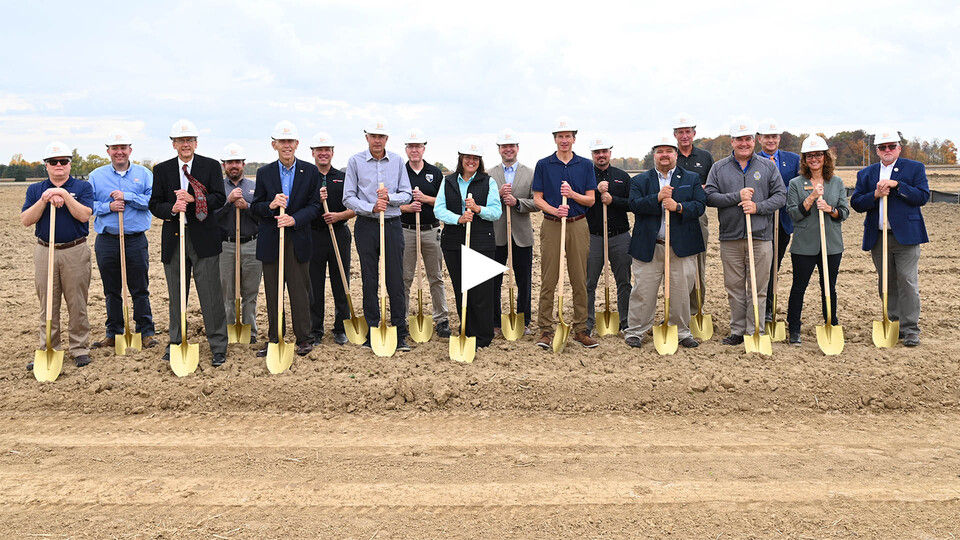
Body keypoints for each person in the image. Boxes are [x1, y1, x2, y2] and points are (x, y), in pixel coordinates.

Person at [150, 119, 229, 366]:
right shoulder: (162, 170)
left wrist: (194, 198)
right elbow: (154, 204)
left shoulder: (210, 166)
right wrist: (172, 208)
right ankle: (176, 341)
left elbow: (219, 198)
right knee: (176, 294)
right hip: (175, 240)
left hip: (204, 240)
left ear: (196, 143)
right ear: (173, 144)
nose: (186, 145)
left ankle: (218, 346)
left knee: (211, 295)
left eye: (189, 140)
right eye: (181, 141)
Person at [704, 119, 786, 345]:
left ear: (754, 141)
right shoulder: (719, 168)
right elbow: (709, 196)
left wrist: (758, 207)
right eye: (739, 139)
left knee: (758, 289)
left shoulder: (768, 167)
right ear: (732, 142)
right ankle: (738, 331)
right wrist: (736, 197)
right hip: (730, 237)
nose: (744, 143)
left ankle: (754, 330)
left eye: (748, 139)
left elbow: (780, 196)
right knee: (734, 287)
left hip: (760, 237)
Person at [625, 135, 705, 348]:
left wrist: (678, 207)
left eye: (669, 151)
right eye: (660, 151)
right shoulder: (640, 181)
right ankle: (636, 331)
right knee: (643, 291)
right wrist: (658, 198)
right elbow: (634, 205)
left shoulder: (691, 178)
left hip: (681, 247)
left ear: (676, 154)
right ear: (654, 155)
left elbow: (700, 206)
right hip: (650, 246)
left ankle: (681, 332)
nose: (664, 155)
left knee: (680, 292)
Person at [851, 128, 929, 347]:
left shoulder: (914, 169)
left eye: (891, 146)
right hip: (879, 237)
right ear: (877, 150)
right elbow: (856, 203)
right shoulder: (866, 173)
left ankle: (910, 328)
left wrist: (897, 186)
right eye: (882, 147)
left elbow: (922, 196)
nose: (887, 150)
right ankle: (894, 323)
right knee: (886, 283)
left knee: (907, 281)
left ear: (899, 148)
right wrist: (875, 195)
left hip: (906, 237)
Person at [21, 142, 94, 370]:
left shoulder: (82, 187)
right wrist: (44, 199)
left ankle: (79, 348)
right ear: (46, 166)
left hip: (75, 250)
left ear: (69, 164)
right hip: (45, 250)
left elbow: (84, 215)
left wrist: (63, 194)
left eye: (63, 161)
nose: (59, 165)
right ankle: (48, 348)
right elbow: (26, 220)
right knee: (47, 303)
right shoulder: (35, 190)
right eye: (54, 162)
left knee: (77, 302)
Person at [343, 118, 413, 351]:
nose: (377, 140)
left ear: (386, 139)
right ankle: (373, 330)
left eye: (381, 137)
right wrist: (371, 206)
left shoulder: (397, 161)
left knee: (395, 279)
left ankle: (400, 333)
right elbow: (348, 197)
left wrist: (389, 198)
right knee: (369, 279)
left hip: (392, 224)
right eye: (373, 136)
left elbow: (407, 194)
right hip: (366, 225)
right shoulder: (355, 162)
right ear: (367, 138)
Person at [252, 121, 322, 357]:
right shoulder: (264, 173)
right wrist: (271, 206)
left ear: (297, 144)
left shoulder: (310, 172)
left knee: (300, 290)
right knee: (273, 292)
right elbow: (255, 208)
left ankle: (304, 338)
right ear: (274, 145)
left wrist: (294, 219)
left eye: (290, 141)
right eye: (282, 142)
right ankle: (275, 337)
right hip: (272, 240)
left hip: (298, 238)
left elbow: (315, 207)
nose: (286, 146)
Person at [532, 117, 598, 349]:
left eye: (568, 136)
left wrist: (572, 195)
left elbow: (590, 199)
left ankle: (581, 329)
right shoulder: (543, 164)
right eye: (560, 136)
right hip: (552, 224)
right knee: (549, 278)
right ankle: (545, 330)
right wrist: (554, 210)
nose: (564, 140)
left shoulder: (585, 164)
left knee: (579, 278)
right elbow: (537, 198)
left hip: (578, 224)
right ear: (555, 139)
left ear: (574, 139)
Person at [88, 130, 157, 350]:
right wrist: (109, 207)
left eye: (123, 148)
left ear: (130, 150)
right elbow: (89, 205)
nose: (119, 152)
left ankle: (145, 332)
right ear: (108, 151)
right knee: (111, 290)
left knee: (140, 288)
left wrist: (127, 196)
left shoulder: (144, 174)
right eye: (115, 148)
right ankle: (114, 332)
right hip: (107, 239)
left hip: (135, 239)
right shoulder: (96, 176)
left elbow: (151, 202)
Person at [435, 140, 502, 348]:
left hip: (481, 241)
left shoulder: (488, 181)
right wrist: (459, 218)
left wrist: (478, 209)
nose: (471, 161)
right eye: (467, 158)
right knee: (461, 288)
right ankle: (466, 330)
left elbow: (496, 211)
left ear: (479, 161)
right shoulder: (449, 181)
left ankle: (482, 337)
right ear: (461, 160)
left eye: (475, 158)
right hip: (453, 242)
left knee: (481, 290)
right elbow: (439, 209)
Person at [785, 135, 848, 345]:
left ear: (825, 157)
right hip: (804, 245)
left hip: (831, 245)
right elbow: (793, 213)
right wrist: (811, 198)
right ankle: (794, 329)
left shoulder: (836, 182)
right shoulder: (795, 183)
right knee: (798, 287)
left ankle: (831, 322)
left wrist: (830, 210)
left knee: (829, 287)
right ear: (804, 159)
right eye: (809, 155)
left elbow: (844, 212)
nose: (814, 159)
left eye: (818, 154)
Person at [399, 129, 450, 338]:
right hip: (406, 230)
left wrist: (425, 198)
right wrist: (408, 207)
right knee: (404, 277)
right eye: (411, 146)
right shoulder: (400, 172)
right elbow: (393, 202)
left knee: (436, 277)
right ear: (406, 149)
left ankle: (442, 319)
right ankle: (400, 318)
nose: (414, 150)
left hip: (431, 230)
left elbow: (443, 201)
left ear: (423, 148)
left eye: (418, 146)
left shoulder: (435, 173)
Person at [488, 128, 537, 334]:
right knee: (494, 281)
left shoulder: (530, 173)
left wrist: (517, 202)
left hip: (521, 235)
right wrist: (497, 196)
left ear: (517, 148)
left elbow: (537, 202)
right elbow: (483, 203)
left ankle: (523, 321)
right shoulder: (489, 175)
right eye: (504, 146)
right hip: (497, 235)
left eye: (511, 146)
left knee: (523, 280)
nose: (508, 150)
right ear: (499, 149)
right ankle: (495, 323)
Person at [309, 132, 355, 346]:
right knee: (314, 284)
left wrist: (338, 216)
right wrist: (316, 200)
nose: (323, 153)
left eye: (327, 150)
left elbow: (355, 207)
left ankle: (341, 327)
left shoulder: (343, 177)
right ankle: (315, 329)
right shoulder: (307, 177)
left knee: (341, 281)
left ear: (332, 152)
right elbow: (299, 205)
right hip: (314, 235)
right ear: (313, 153)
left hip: (339, 233)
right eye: (320, 150)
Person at [584, 135, 631, 335]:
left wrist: (613, 200)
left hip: (619, 235)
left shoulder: (622, 176)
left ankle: (626, 321)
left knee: (624, 280)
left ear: (610, 153)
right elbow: (580, 201)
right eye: (597, 152)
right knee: (588, 281)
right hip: (593, 235)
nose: (601, 155)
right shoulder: (585, 176)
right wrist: (596, 192)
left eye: (604, 151)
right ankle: (587, 322)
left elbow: (632, 203)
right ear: (592, 155)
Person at [214, 143, 261, 344]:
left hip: (251, 244)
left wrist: (247, 206)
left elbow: (263, 214)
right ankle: (229, 329)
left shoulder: (255, 187)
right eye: (230, 162)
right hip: (226, 246)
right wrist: (228, 202)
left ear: (244, 164)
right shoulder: (217, 188)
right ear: (224, 165)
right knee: (227, 293)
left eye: (238, 162)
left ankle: (249, 332)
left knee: (250, 292)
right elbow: (211, 218)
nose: (234, 166)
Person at [756, 119, 800, 324]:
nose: (771, 140)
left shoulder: (792, 160)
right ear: (760, 139)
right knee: (762, 266)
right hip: (761, 221)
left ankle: (769, 305)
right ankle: (759, 305)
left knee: (775, 265)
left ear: (779, 138)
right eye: (767, 137)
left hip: (783, 222)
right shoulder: (754, 160)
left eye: (774, 137)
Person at [673, 114, 714, 317]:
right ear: (675, 135)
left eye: (688, 131)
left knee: (699, 265)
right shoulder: (670, 156)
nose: (684, 135)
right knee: (678, 265)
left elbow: (713, 185)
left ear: (694, 133)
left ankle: (696, 309)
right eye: (680, 132)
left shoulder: (705, 157)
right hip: (675, 216)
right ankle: (679, 311)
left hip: (698, 216)